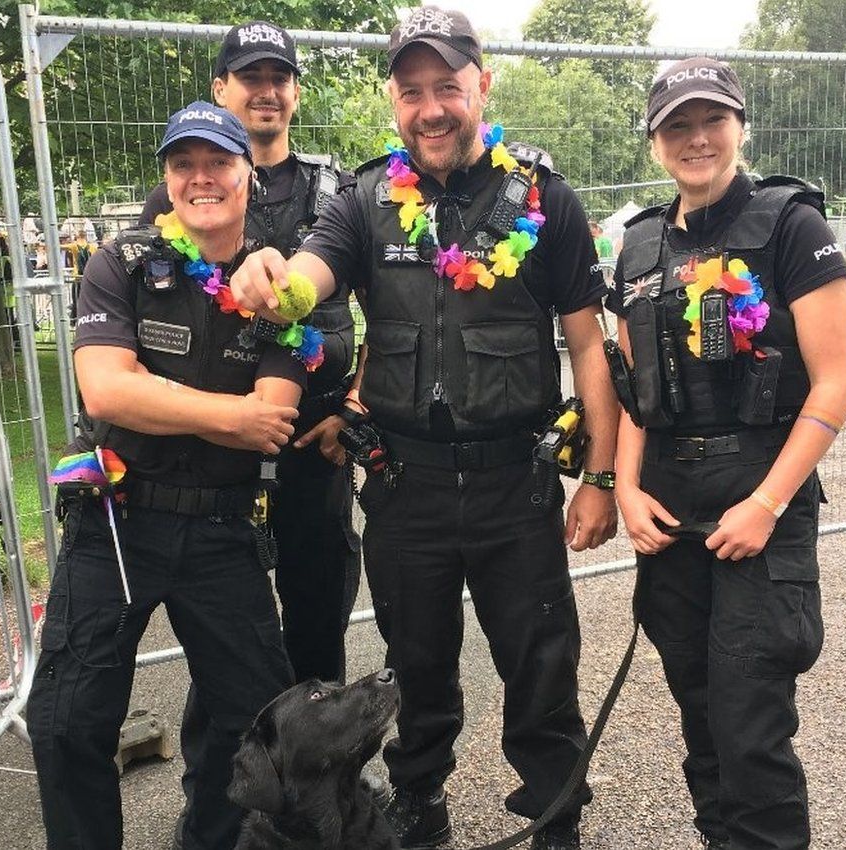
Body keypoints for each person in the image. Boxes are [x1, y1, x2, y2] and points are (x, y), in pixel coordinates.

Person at [229, 8, 619, 849]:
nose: (432, 107)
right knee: (417, 669)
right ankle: (419, 803)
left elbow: (589, 346)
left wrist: (601, 478)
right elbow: (309, 276)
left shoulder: (546, 200)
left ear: (484, 83)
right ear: (393, 100)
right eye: (412, 91)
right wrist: (274, 277)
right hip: (406, 488)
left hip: (518, 485)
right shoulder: (364, 201)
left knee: (542, 666)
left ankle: (555, 814)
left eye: (448, 85)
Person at [27, 102, 308, 850]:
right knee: (67, 721)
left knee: (255, 724)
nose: (200, 178)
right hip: (114, 525)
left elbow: (274, 416)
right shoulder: (121, 260)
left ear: (250, 173)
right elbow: (107, 392)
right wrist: (226, 416)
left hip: (224, 528)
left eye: (217, 162)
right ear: (167, 178)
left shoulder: (283, 283)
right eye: (183, 164)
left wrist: (173, 404)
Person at [607, 58, 846, 850]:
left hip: (761, 502)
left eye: (711, 120)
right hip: (673, 509)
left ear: (741, 126)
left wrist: (768, 502)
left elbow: (837, 382)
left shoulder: (791, 226)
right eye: (676, 125)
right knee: (702, 712)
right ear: (654, 142)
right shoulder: (640, 243)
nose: (696, 138)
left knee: (750, 725)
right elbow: (632, 387)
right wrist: (625, 489)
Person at [138, 20, 363, 844]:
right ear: (222, 87)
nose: (266, 89)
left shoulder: (336, 190)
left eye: (280, 76)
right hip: (216, 463)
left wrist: (346, 404)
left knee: (314, 642)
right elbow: (156, 314)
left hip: (311, 452)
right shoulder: (186, 182)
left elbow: (346, 327)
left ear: (294, 92)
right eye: (248, 75)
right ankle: (218, 808)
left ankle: (327, 813)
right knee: (222, 654)